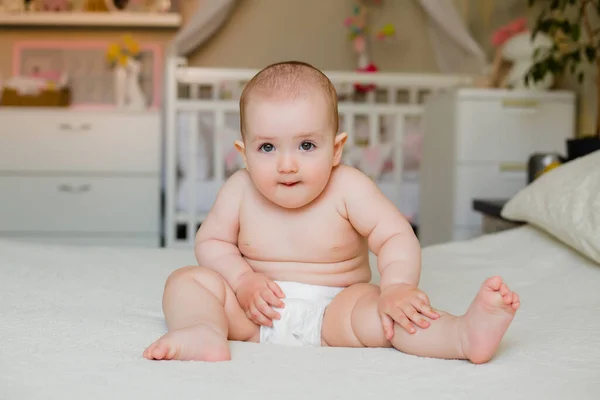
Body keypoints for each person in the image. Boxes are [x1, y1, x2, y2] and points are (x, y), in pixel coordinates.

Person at [143, 61, 520, 363]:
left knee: (390, 316)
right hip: (255, 315)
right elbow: (211, 241)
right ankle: (203, 331)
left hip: (336, 311)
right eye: (268, 148)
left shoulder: (349, 187)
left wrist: (396, 287)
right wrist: (241, 281)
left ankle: (461, 336)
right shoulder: (238, 189)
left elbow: (394, 236)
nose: (287, 165)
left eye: (306, 145)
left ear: (336, 149)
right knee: (186, 281)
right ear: (244, 154)